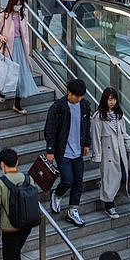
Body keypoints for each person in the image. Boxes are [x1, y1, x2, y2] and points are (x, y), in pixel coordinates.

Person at [44, 78, 92, 227]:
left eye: (81, 97)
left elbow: (86, 125)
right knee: (67, 180)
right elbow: (50, 129)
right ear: (69, 93)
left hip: (77, 150)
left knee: (78, 181)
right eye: (77, 96)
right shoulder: (58, 107)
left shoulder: (84, 106)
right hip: (62, 150)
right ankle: (57, 195)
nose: (79, 99)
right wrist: (50, 150)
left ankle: (73, 210)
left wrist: (86, 144)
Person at [0, 0, 37, 114]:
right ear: (12, 3)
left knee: (20, 75)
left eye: (20, 4)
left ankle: (17, 104)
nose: (18, 6)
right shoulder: (3, 16)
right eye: (17, 4)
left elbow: (24, 34)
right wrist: (1, 37)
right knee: (6, 72)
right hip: (7, 48)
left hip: (20, 47)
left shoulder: (22, 15)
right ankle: (2, 92)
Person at [91, 88, 130, 218]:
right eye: (110, 99)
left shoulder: (118, 115)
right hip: (107, 153)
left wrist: (129, 143)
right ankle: (109, 206)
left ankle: (105, 187)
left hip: (119, 150)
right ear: (105, 99)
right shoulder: (98, 117)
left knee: (124, 176)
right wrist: (97, 155)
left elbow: (123, 132)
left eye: (114, 99)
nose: (112, 102)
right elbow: (95, 137)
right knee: (110, 178)